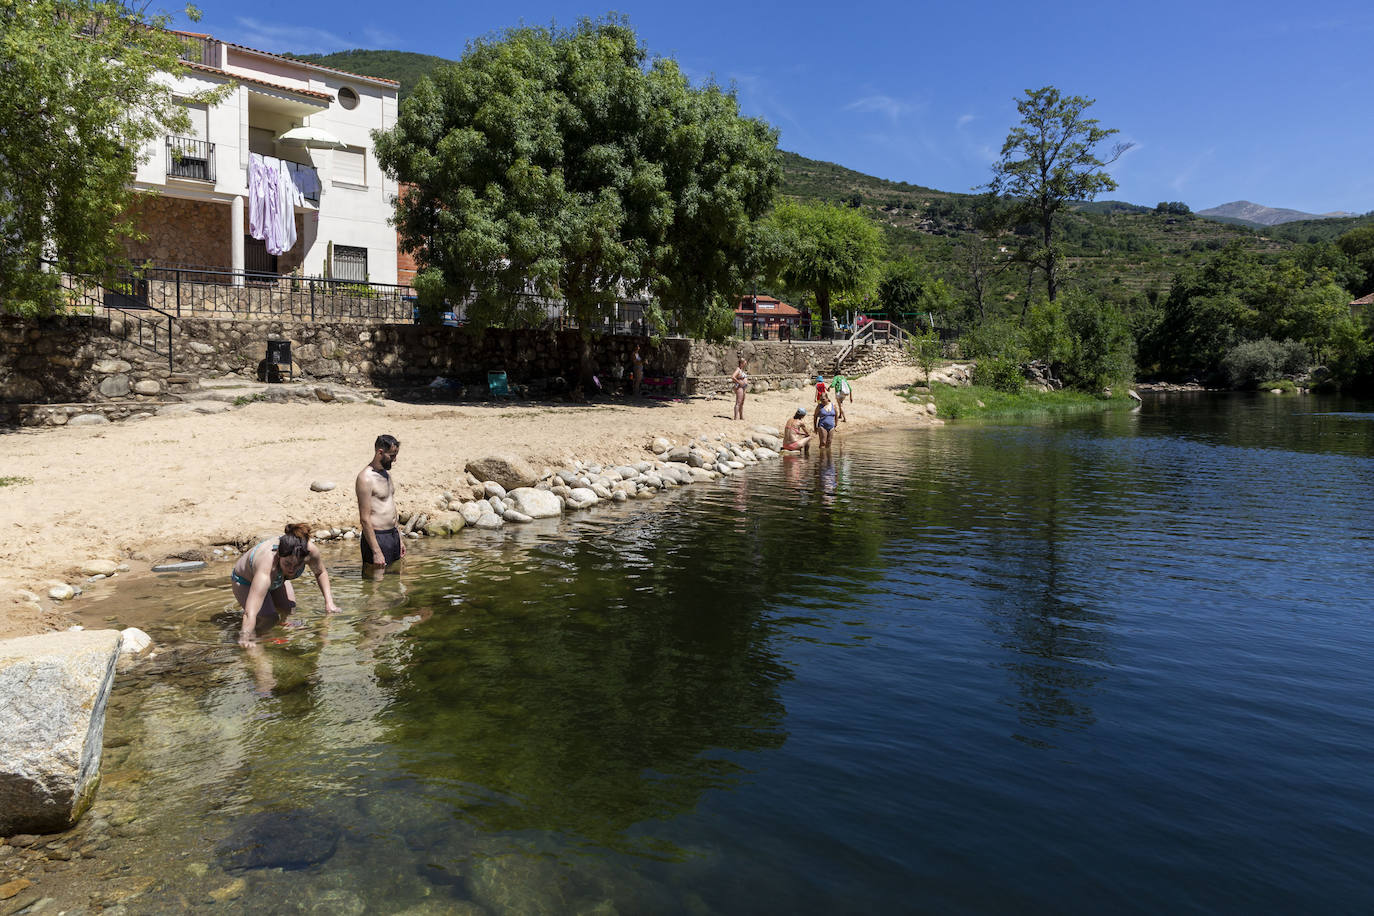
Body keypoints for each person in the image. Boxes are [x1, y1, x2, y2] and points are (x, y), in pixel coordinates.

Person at [232, 522, 338, 647]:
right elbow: (250, 613)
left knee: (289, 609)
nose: (292, 569)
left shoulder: (309, 551)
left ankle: (279, 635)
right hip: (246, 581)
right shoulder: (267, 565)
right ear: (279, 555)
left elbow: (320, 572)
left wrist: (329, 603)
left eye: (297, 565)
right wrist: (245, 636)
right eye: (287, 564)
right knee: (269, 617)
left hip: (278, 579)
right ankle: (262, 638)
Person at [357, 434, 404, 575]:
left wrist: (400, 539)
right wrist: (376, 551)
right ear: (380, 453)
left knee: (394, 583)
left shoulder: (387, 475)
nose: (395, 460)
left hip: (392, 536)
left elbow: (391, 507)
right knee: (376, 587)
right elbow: (364, 518)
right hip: (377, 538)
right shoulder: (365, 478)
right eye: (392, 456)